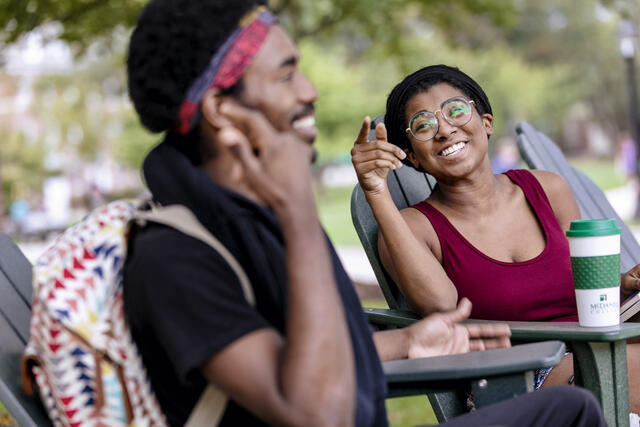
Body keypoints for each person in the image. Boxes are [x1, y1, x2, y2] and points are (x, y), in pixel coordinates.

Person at [124, 2, 606, 425]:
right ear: (222, 111)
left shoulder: (250, 223)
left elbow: (305, 357)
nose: (310, 91)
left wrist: (405, 343)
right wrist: (296, 209)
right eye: (287, 75)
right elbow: (315, 412)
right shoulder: (175, 254)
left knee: (572, 412)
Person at [351, 63, 640, 407]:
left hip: (598, 346)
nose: (444, 130)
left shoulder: (548, 189)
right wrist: (377, 193)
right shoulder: (413, 227)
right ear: (411, 155)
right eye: (424, 125)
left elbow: (577, 285)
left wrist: (620, 285)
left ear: (485, 122)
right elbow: (439, 305)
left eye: (455, 110)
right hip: (519, 375)